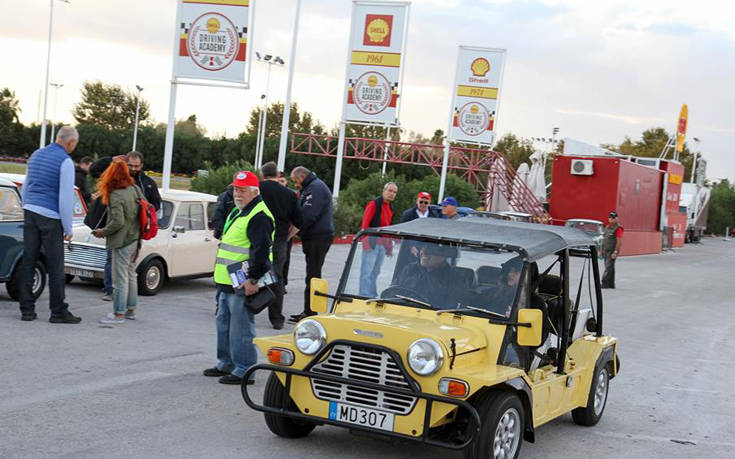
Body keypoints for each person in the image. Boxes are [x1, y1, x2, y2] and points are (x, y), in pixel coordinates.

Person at [203, 171, 274, 385]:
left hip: (243, 282)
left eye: (242, 190)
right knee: (224, 323)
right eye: (235, 189)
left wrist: (253, 280)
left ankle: (245, 369)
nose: (237, 193)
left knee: (241, 327)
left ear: (254, 191)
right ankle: (226, 363)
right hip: (228, 280)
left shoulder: (259, 215)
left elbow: (261, 251)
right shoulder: (240, 211)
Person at [18, 126, 81, 323]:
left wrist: (27, 208)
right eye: (74, 144)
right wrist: (68, 228)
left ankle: (27, 310)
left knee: (29, 261)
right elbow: (65, 198)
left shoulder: (36, 154)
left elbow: (26, 185)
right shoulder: (65, 161)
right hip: (50, 217)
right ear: (70, 142)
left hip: (30, 211)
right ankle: (58, 311)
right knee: (55, 265)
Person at [92, 160, 141, 324]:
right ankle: (131, 310)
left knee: (119, 278)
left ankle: (118, 314)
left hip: (122, 240)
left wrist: (102, 232)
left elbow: (118, 222)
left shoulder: (116, 194)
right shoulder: (134, 189)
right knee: (131, 274)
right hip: (135, 238)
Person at [259, 162, 302, 329]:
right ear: (277, 175)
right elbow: (299, 222)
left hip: (256, 239)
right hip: (278, 240)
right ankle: (276, 319)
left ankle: (246, 309)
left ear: (262, 174)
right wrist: (286, 237)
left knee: (250, 271)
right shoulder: (289, 195)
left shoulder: (256, 189)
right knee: (276, 277)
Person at [288, 166, 334, 323]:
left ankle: (311, 312)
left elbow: (308, 215)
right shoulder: (312, 187)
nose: (295, 184)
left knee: (313, 276)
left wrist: (294, 233)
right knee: (312, 274)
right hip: (315, 237)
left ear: (302, 176)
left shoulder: (315, 188)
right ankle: (309, 310)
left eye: (295, 181)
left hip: (318, 237)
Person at [359, 182, 398, 297]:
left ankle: (371, 294)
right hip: (372, 243)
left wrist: (389, 248)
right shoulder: (374, 204)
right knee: (367, 271)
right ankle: (364, 295)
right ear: (383, 191)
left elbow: (388, 229)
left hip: (382, 245)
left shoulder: (390, 207)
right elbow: (365, 225)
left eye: (394, 192)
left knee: (375, 272)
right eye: (390, 191)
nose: (391, 194)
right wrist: (366, 244)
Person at [601, 211, 623, 289]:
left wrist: (615, 252)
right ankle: (611, 284)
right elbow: (604, 239)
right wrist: (601, 249)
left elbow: (619, 241)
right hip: (606, 250)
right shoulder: (607, 227)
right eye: (610, 218)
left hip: (612, 251)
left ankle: (604, 283)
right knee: (610, 267)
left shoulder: (618, 228)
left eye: (613, 218)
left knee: (608, 267)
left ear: (617, 218)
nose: (611, 219)